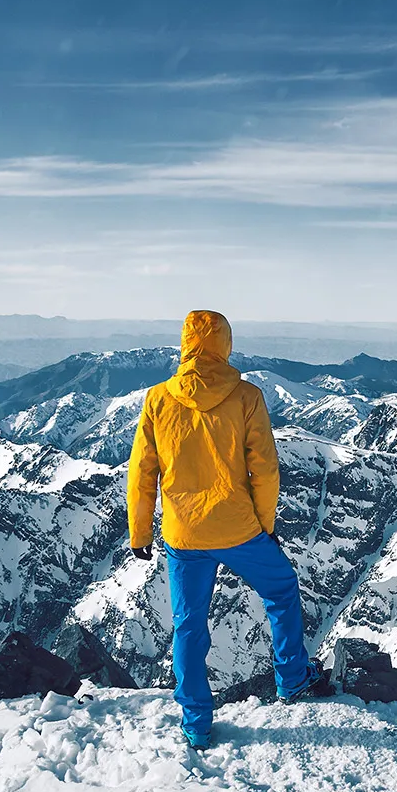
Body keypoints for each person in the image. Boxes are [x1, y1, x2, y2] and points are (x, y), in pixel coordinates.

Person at [127, 310, 329, 749]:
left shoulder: (158, 399)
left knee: (189, 625)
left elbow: (142, 472)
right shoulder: (246, 397)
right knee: (281, 589)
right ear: (225, 344)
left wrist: (140, 534)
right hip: (239, 529)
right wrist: (266, 526)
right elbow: (265, 469)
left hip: (183, 534)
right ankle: (292, 678)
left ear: (185, 345)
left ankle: (196, 723)